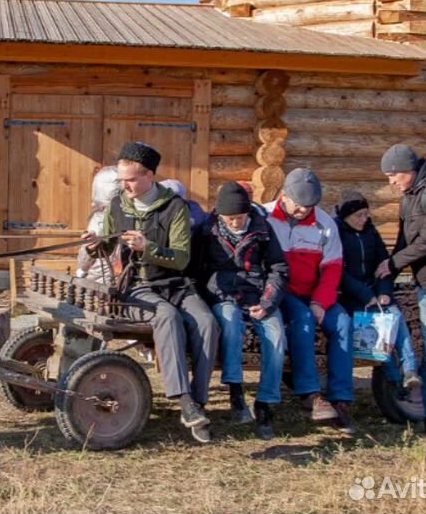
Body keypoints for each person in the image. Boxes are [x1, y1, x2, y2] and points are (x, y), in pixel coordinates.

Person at [84, 141, 220, 443]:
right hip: (137, 287)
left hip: (176, 285)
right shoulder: (117, 205)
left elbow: (182, 257)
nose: (125, 185)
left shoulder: (174, 208)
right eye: (121, 180)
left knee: (208, 323)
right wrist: (95, 244)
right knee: (167, 317)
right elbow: (107, 245)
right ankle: (184, 400)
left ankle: (197, 402)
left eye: (130, 179)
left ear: (149, 176)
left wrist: (149, 248)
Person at [264, 168, 356, 434]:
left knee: (342, 323)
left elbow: (332, 267)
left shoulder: (325, 224)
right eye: (298, 204)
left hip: (315, 292)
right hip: (283, 293)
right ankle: (310, 394)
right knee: (302, 321)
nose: (304, 209)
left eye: (310, 205)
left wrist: (320, 301)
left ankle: (340, 399)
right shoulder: (266, 216)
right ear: (284, 195)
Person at [197, 182, 288, 440]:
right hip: (223, 293)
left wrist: (268, 302)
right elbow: (199, 269)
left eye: (239, 217)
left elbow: (278, 268)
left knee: (276, 335)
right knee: (230, 323)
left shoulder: (263, 230)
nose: (235, 223)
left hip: (258, 294)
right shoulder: (208, 231)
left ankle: (265, 402)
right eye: (230, 219)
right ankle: (235, 392)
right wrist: (211, 293)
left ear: (248, 213)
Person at [376, 144, 426, 438]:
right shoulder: (407, 199)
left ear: (408, 171)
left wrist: (395, 262)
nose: (390, 182)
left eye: (393, 175)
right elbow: (403, 243)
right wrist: (388, 271)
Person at [334, 190, 422, 394]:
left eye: (366, 214)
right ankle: (393, 380)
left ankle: (410, 370)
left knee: (395, 316)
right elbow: (340, 273)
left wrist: (384, 292)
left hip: (375, 288)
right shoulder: (337, 233)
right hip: (351, 295)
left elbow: (384, 264)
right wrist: (367, 296)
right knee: (377, 327)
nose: (364, 220)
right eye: (359, 215)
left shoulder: (370, 231)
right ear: (347, 215)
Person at [75, 166, 121, 284]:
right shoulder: (126, 215)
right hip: (109, 279)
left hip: (102, 280)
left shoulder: (99, 218)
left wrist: (81, 270)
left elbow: (86, 256)